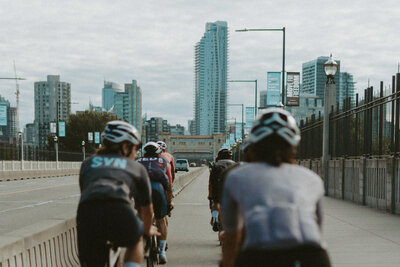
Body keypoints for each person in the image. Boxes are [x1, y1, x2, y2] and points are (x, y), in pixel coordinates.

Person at [221, 108, 331, 267]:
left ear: (253, 146)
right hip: (312, 255)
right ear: (293, 147)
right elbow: (317, 228)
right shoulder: (312, 179)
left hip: (259, 254)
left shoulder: (237, 177)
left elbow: (231, 236)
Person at [77, 121, 158, 267]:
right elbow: (147, 210)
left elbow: (86, 193)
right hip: (119, 209)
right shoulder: (136, 167)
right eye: (136, 148)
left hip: (87, 214)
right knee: (136, 239)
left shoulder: (87, 163)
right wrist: (146, 229)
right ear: (126, 147)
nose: (136, 153)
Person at [137, 141, 174, 264]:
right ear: (159, 152)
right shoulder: (164, 162)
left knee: (141, 216)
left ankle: (143, 242)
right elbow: (168, 185)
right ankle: (162, 251)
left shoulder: (137, 161)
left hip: (142, 190)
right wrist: (169, 203)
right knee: (161, 219)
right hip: (158, 190)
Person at [208, 148, 237, 232]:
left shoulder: (216, 165)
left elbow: (211, 182)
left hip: (218, 188)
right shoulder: (235, 165)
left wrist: (210, 195)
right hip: (232, 190)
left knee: (216, 203)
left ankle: (215, 217)